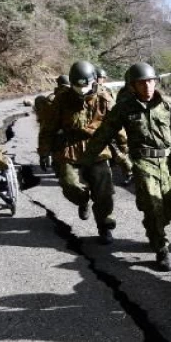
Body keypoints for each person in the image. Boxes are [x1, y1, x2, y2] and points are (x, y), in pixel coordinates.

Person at [79, 63, 171, 270]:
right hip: (143, 163)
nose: (148, 86)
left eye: (150, 81)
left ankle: (153, 230)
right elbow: (104, 134)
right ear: (133, 86)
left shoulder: (168, 105)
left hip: (170, 164)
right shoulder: (124, 107)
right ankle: (161, 248)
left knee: (168, 207)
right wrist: (86, 161)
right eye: (142, 83)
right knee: (152, 204)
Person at [38, 61, 121, 244]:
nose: (82, 89)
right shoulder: (61, 99)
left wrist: (123, 153)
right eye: (78, 86)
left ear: (93, 81)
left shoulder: (104, 98)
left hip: (97, 148)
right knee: (69, 185)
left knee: (104, 192)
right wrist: (44, 152)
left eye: (86, 85)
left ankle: (105, 227)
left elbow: (117, 125)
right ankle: (83, 200)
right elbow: (48, 127)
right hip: (69, 147)